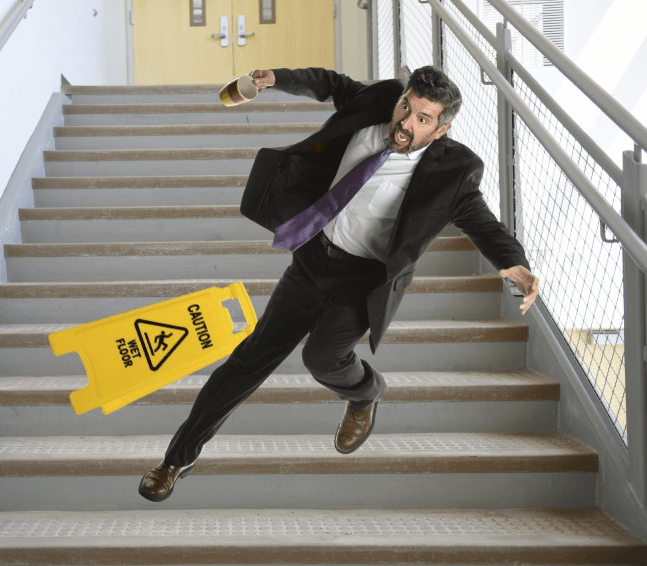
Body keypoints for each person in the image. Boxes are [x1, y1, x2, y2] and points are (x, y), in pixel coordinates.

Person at [138, 66, 539, 502]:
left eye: (422, 118)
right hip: (313, 259)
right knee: (249, 361)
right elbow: (330, 83)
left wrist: (512, 263)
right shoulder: (378, 103)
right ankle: (176, 459)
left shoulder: (456, 170)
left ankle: (366, 393)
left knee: (321, 357)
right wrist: (277, 78)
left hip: (361, 281)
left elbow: (481, 221)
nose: (405, 122)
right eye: (406, 106)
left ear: (440, 130)